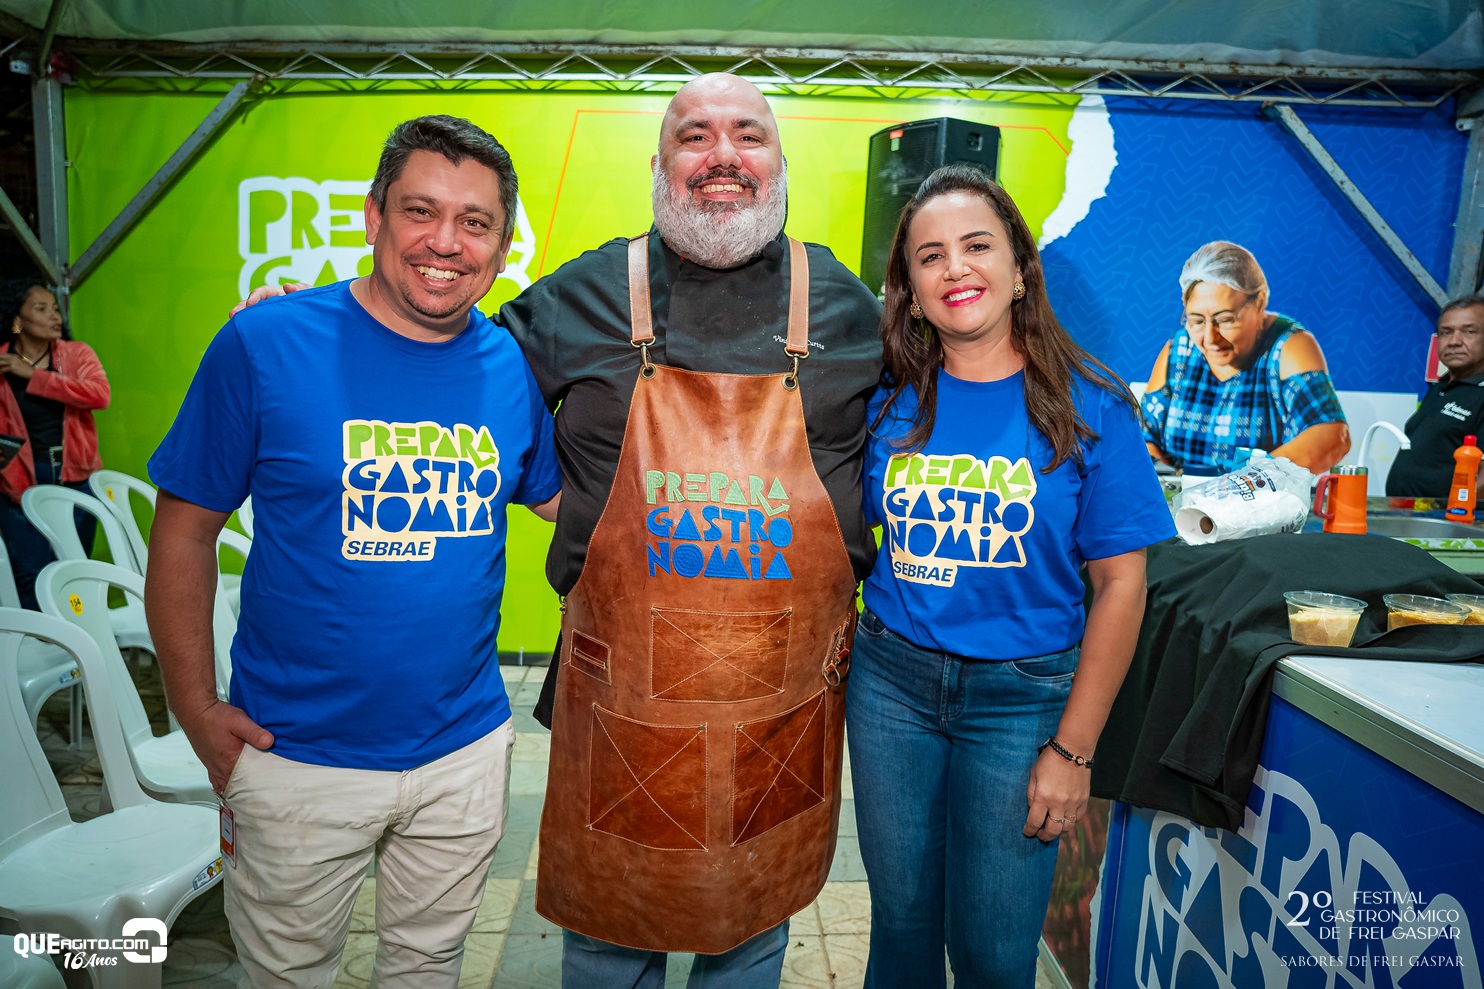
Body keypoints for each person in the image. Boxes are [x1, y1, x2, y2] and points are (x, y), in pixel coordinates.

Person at [238, 74, 881, 987]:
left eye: (749, 135)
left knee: (753, 931)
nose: (723, 158)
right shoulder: (581, 296)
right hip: (624, 712)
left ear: (780, 161)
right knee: (611, 940)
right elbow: (439, 362)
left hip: (778, 711)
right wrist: (315, 321)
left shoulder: (849, 309)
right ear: (659, 162)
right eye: (694, 136)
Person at [145, 115, 561, 989]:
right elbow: (184, 531)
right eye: (420, 210)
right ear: (374, 216)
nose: (445, 242)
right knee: (288, 974)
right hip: (296, 758)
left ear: (502, 241)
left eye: (474, 222)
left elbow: (566, 502)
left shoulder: (508, 366)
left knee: (427, 968)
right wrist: (194, 707)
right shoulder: (264, 344)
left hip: (462, 754)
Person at [851, 164, 1175, 987]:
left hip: (1022, 700)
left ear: (1021, 268)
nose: (955, 268)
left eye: (976, 246)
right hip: (890, 686)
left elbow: (1122, 587)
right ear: (910, 289)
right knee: (903, 927)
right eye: (930, 256)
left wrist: (1074, 749)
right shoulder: (886, 402)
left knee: (995, 950)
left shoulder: (1091, 404)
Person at [1140, 241, 1350, 474]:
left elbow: (1332, 437)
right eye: (1197, 321)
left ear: (1259, 303)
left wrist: (1245, 481)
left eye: (1226, 319)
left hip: (1259, 504)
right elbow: (1145, 437)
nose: (1210, 338)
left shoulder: (1288, 346)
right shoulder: (1179, 348)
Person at [0, 280, 109, 609]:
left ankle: (80, 652)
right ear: (18, 319)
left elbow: (99, 395)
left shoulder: (76, 354)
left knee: (75, 570)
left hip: (76, 476)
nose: (53, 315)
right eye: (41, 308)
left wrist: (33, 376)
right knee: (30, 572)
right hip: (18, 480)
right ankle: (40, 652)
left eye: (55, 308)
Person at [1386, 294, 1484, 497]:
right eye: (1446, 332)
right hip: (1409, 517)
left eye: (1469, 331)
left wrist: (1457, 514)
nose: (1454, 341)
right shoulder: (1441, 387)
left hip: (1452, 522)